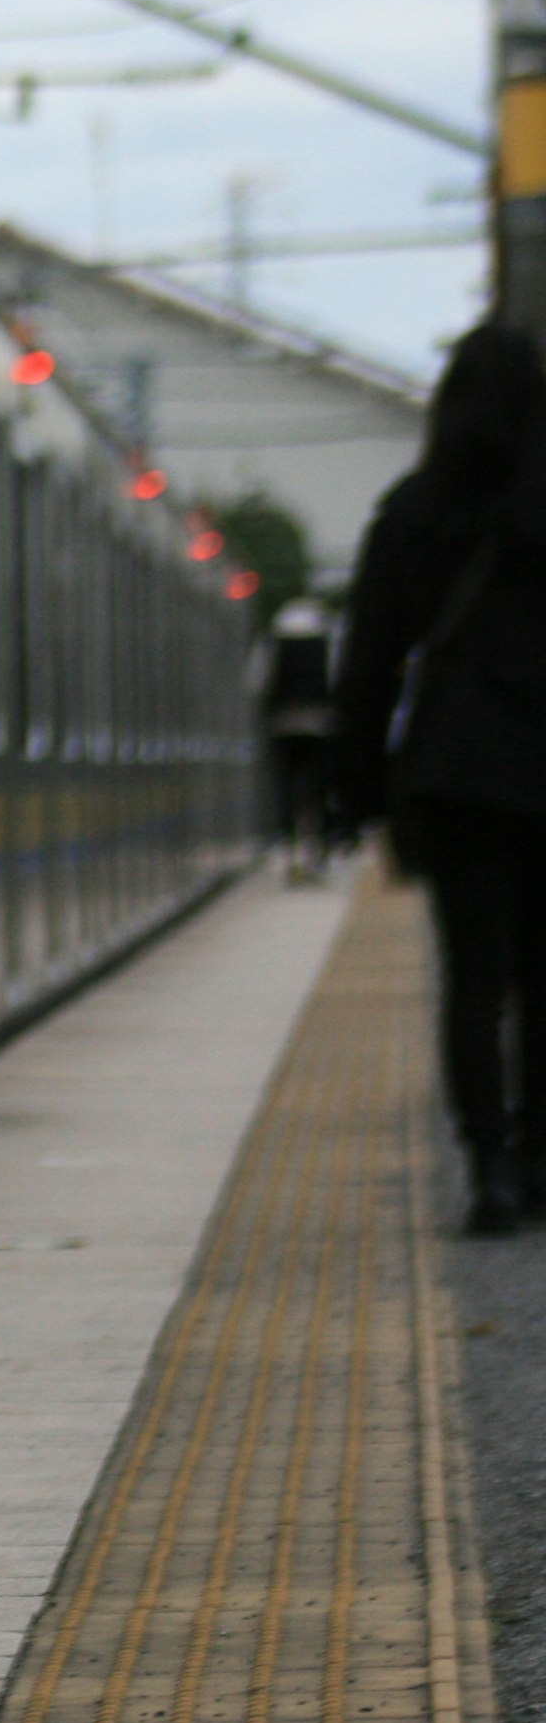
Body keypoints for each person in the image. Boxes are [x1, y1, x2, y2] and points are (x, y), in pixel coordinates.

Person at [330, 318, 546, 1234]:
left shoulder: (414, 510)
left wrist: (358, 790)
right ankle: (539, 1156)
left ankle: (490, 1164)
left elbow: (370, 660)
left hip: (458, 776)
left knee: (473, 972)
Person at [256, 601, 338, 881]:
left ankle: (289, 846)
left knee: (286, 786)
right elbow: (336, 678)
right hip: (320, 725)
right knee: (318, 787)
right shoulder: (325, 644)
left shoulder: (273, 644)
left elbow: (257, 681)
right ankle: (319, 846)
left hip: (283, 725)